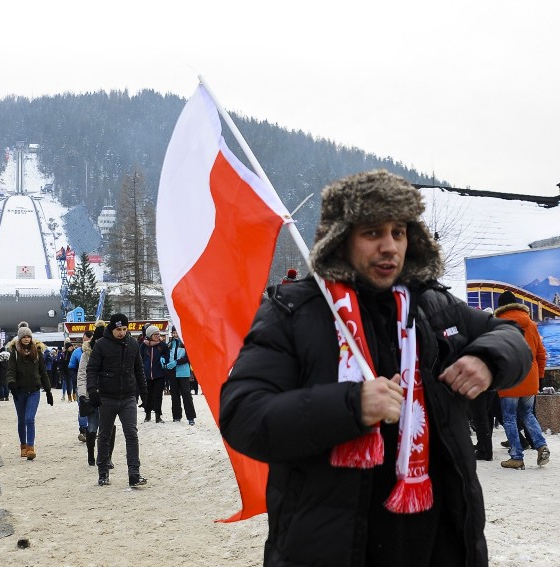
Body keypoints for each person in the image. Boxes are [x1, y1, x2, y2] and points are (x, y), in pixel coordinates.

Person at [220, 169, 531, 566]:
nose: (390, 247)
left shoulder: (431, 305)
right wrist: (349, 406)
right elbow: (243, 414)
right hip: (332, 546)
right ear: (340, 240)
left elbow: (511, 337)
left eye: (398, 232)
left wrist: (488, 359)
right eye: (372, 233)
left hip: (440, 542)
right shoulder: (293, 312)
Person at [86, 313, 148, 487]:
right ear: (111, 329)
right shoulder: (101, 346)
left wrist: (144, 393)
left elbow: (139, 370)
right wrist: (92, 390)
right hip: (107, 397)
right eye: (118, 329)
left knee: (131, 434)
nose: (121, 332)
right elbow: (92, 370)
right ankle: (103, 472)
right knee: (104, 435)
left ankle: (134, 474)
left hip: (128, 397)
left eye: (124, 329)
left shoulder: (133, 344)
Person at [495, 290, 550, 470]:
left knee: (509, 417)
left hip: (510, 378)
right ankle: (541, 445)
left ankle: (517, 456)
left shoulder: (497, 325)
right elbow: (541, 354)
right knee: (527, 413)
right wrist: (540, 377)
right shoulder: (532, 324)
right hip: (530, 376)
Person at [6, 323, 53, 460]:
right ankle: (23, 446)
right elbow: (10, 371)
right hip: (19, 391)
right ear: (20, 338)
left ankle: (31, 447)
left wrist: (48, 391)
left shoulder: (37, 353)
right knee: (21, 420)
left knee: (29, 418)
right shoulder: (14, 354)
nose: (26, 339)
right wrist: (12, 384)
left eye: (28, 336)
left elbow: (43, 372)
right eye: (24, 337)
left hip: (34, 390)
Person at [77, 322, 116, 466]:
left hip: (108, 393)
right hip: (91, 394)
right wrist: (82, 394)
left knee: (109, 426)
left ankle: (107, 458)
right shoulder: (86, 354)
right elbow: (82, 375)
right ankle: (91, 456)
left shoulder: (112, 351)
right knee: (93, 426)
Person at [164, 327, 196, 425]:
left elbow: (189, 357)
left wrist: (176, 362)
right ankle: (176, 416)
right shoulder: (170, 344)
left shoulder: (186, 343)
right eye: (173, 333)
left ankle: (191, 417)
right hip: (172, 373)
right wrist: (163, 358)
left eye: (176, 333)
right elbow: (165, 354)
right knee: (174, 395)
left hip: (183, 372)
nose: (175, 335)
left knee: (186, 394)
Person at [140, 325, 168, 423]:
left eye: (158, 334)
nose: (157, 336)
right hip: (147, 374)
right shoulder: (144, 345)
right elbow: (140, 358)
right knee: (148, 395)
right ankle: (147, 415)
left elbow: (167, 356)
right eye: (155, 334)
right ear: (149, 335)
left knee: (158, 395)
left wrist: (164, 359)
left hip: (159, 374)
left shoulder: (162, 345)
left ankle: (158, 416)